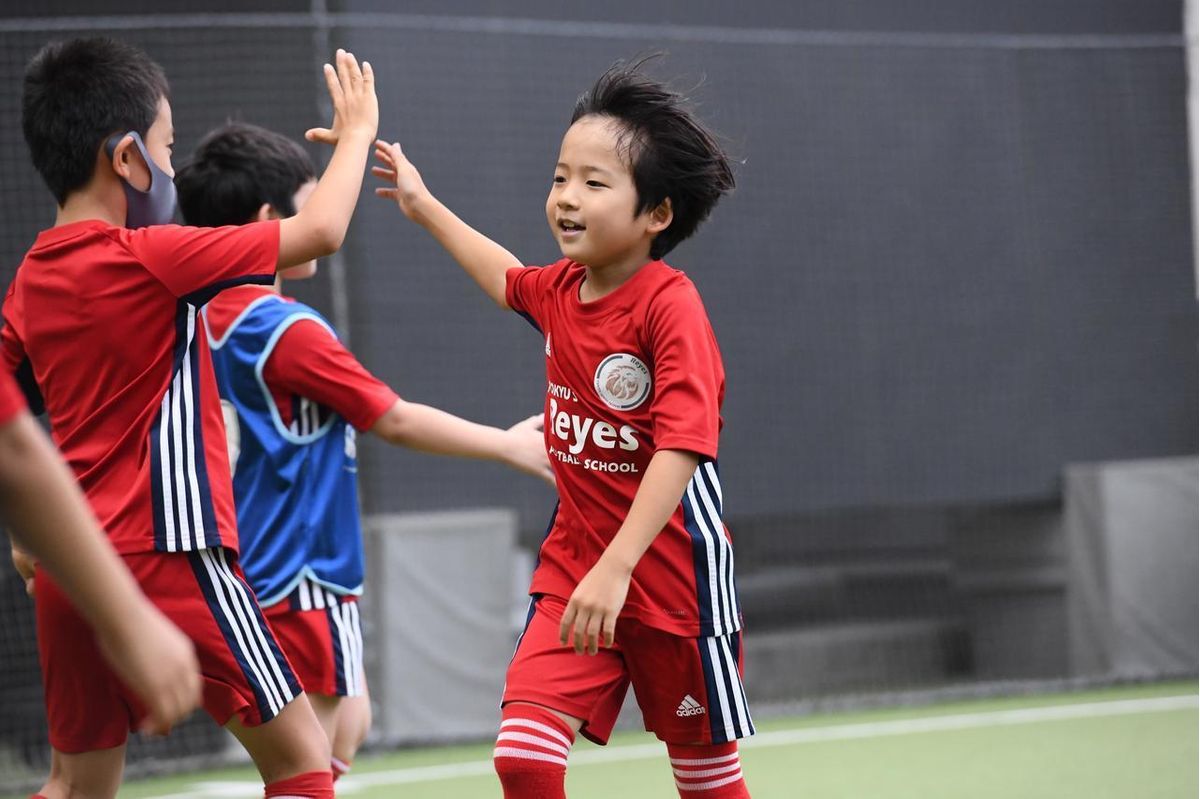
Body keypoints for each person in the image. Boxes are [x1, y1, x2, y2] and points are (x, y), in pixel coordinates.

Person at [4, 36, 377, 799]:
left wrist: (24, 530)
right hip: (175, 551)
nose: (173, 169)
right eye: (168, 148)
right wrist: (361, 133)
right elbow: (321, 232)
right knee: (304, 760)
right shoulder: (150, 255)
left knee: (75, 784)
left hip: (71, 572)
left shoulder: (29, 279)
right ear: (128, 159)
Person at [373, 59, 754, 798]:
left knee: (706, 780)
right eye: (559, 178)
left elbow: (682, 445)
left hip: (676, 584)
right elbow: (505, 275)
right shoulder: (560, 290)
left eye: (594, 183)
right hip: (575, 572)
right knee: (523, 755)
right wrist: (423, 205)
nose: (566, 199)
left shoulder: (670, 308)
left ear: (658, 214)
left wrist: (619, 567)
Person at [174, 121, 554, 780]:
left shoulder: (199, 320)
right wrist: (508, 445)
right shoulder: (281, 327)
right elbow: (394, 418)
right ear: (271, 219)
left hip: (258, 570)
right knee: (305, 767)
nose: (327, 213)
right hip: (297, 573)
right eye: (314, 197)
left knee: (351, 718)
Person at [2, 368, 203, 736]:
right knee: (302, 759)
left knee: (76, 786)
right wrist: (130, 624)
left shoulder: (23, 316)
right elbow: (12, 454)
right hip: (159, 546)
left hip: (71, 560)